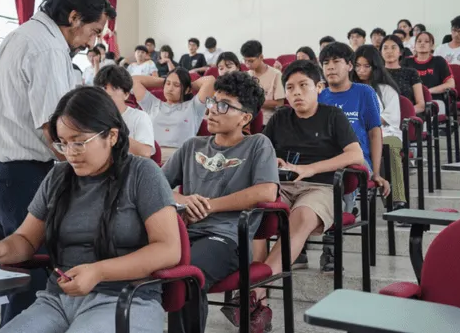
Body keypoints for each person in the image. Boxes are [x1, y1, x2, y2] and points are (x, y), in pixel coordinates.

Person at [0, 87, 180, 333]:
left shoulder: (142, 174)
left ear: (112, 136)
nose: (70, 153)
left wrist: (98, 272)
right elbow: (25, 239)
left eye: (79, 142)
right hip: (58, 301)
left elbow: (169, 249)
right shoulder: (59, 176)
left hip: (126, 299)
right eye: (63, 143)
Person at [0, 0, 116, 325]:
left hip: (0, 171)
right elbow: (55, 128)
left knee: (16, 276)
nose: (92, 42)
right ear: (73, 17)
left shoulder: (22, 35)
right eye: (94, 30)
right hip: (27, 173)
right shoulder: (49, 49)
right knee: (37, 277)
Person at [222, 61, 365, 329]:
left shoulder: (333, 115)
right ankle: (256, 299)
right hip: (283, 184)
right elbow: (262, 151)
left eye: (303, 86)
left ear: (319, 87)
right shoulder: (279, 118)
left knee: (299, 219)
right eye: (290, 88)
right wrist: (273, 161)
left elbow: (355, 155)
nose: (296, 93)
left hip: (320, 188)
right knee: (256, 216)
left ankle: (254, 291)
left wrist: (309, 169)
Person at [162, 71, 278, 333]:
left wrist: (210, 205)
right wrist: (182, 200)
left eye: (223, 106)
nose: (212, 110)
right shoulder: (192, 146)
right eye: (212, 102)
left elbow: (266, 192)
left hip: (228, 240)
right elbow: (155, 187)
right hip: (182, 233)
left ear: (245, 118)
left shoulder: (258, 145)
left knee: (186, 276)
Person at [318, 42, 390, 208]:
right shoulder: (319, 96)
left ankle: (341, 213)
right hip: (325, 159)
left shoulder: (364, 92)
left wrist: (376, 172)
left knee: (345, 173)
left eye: (336, 62)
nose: (330, 67)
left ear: (350, 65)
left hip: (356, 160)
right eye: (326, 63)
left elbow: (375, 133)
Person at [352, 45, 406, 208]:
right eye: (358, 66)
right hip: (357, 135)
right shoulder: (349, 90)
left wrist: (364, 123)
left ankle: (396, 201)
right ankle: (347, 205)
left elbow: (389, 118)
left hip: (387, 134)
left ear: (375, 67)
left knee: (388, 147)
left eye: (366, 66)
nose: (361, 70)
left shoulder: (387, 90)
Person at [132, 69, 215, 162]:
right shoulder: (152, 104)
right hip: (152, 157)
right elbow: (134, 80)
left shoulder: (194, 107)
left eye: (176, 85)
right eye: (168, 84)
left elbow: (211, 81)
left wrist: (187, 84)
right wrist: (164, 81)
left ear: (187, 90)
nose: (170, 88)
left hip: (181, 159)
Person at [94, 65, 155, 158]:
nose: (105, 100)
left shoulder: (139, 117)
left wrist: (114, 135)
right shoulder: (93, 117)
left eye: (110, 96)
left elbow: (145, 153)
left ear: (126, 94)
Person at [403, 32, 455, 114]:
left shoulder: (439, 61)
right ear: (414, 45)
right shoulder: (406, 62)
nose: (422, 43)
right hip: (412, 101)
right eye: (419, 41)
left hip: (434, 100)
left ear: (432, 46)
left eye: (426, 41)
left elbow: (450, 84)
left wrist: (427, 91)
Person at [241, 40, 284, 124]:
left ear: (261, 57)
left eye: (251, 61)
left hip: (267, 120)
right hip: (247, 120)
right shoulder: (247, 75)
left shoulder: (276, 74)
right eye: (245, 61)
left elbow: (280, 103)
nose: (247, 64)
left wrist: (255, 102)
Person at [381, 35, 425, 114]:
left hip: (406, 117)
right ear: (380, 52)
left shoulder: (411, 73)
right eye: (385, 48)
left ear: (400, 52)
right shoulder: (375, 73)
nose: (389, 51)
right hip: (380, 118)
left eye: (393, 47)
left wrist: (401, 114)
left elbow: (421, 105)